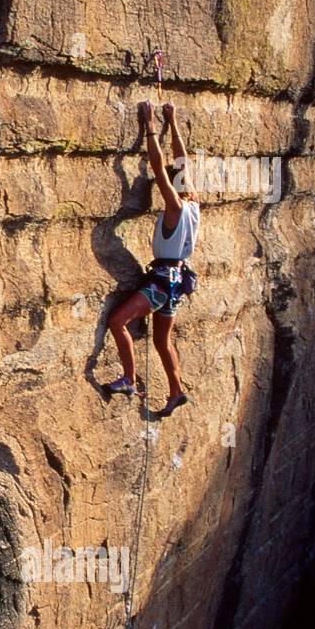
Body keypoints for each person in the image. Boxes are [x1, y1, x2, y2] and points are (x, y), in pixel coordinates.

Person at [102, 100, 200, 416]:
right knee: (162, 341)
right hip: (176, 283)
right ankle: (176, 392)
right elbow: (181, 161)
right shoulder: (194, 202)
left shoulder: (175, 207)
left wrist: (151, 127)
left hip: (161, 283)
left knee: (118, 321)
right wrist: (173, 121)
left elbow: (160, 167)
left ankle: (129, 378)